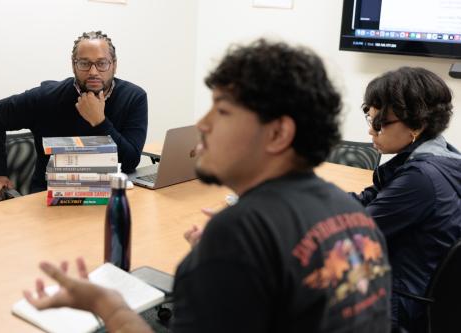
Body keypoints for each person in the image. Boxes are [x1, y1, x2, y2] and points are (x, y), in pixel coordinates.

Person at [24, 39, 391, 332]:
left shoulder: (237, 235)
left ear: (278, 133)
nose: (204, 122)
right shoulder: (351, 212)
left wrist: (106, 305)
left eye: (223, 111)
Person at [351, 67, 461, 332]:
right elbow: (370, 199)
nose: (371, 132)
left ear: (417, 124)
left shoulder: (421, 178)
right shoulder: (441, 156)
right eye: (370, 120)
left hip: (399, 305)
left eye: (379, 124)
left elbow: (354, 233)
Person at [0, 31, 148, 199]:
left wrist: (99, 121)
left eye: (102, 63)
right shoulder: (46, 97)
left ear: (114, 65)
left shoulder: (134, 98)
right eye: (84, 63)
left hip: (110, 196)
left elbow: (130, 161)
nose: (93, 72)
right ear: (73, 65)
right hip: (49, 198)